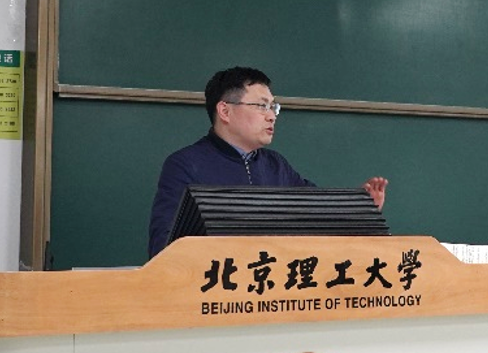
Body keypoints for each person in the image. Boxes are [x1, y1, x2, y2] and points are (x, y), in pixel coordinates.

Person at [148, 66, 387, 257]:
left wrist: (360, 210)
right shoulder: (185, 165)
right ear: (225, 111)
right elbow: (164, 248)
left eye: (273, 107)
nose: (272, 116)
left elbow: (318, 214)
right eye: (262, 106)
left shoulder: (276, 165)